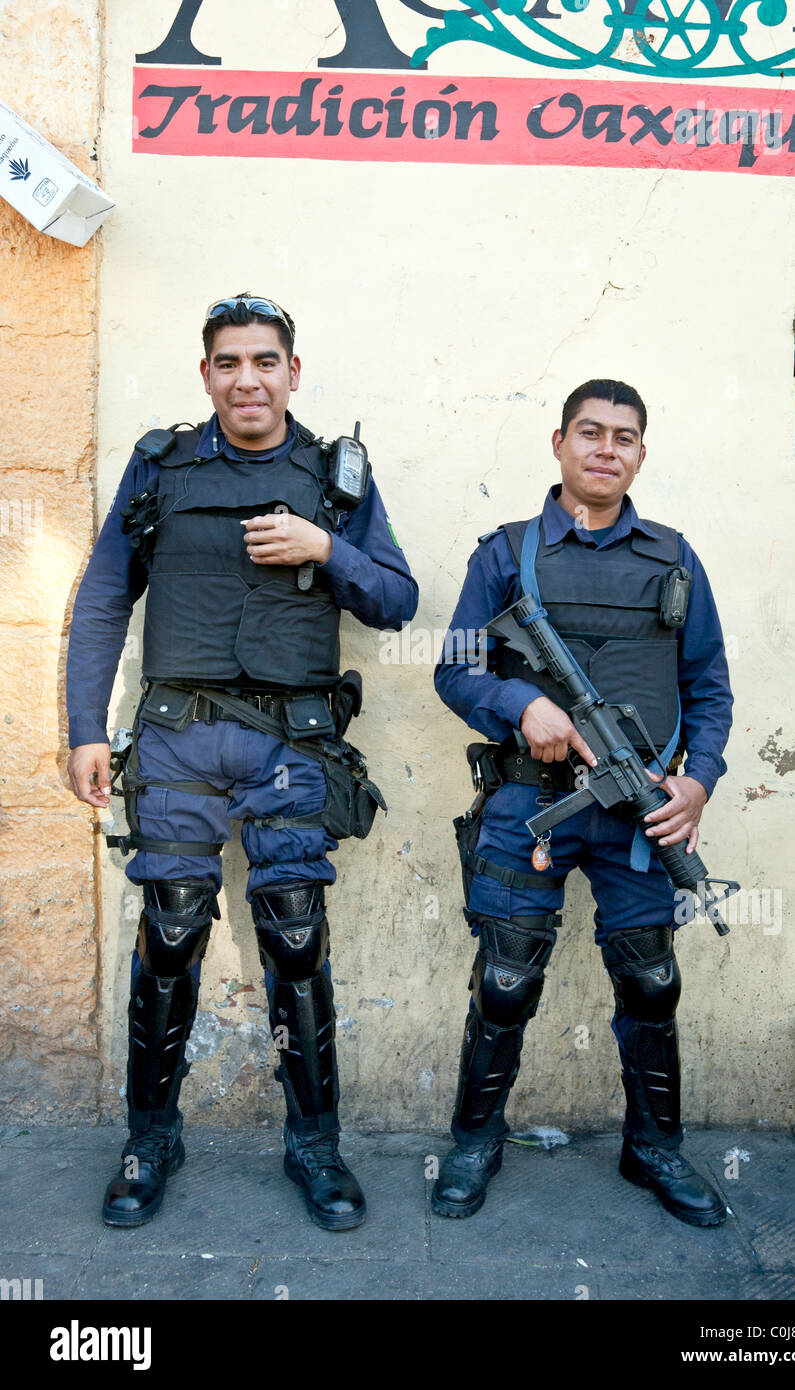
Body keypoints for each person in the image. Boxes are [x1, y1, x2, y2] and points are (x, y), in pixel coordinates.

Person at [66, 293, 418, 1231]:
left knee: (296, 941)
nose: (247, 379)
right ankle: (150, 1138)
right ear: (206, 374)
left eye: (265, 361)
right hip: (178, 736)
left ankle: (315, 1147)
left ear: (293, 373)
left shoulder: (333, 478)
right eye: (228, 363)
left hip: (292, 746)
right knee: (171, 933)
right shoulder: (161, 467)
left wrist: (326, 547)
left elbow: (396, 599)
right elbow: (104, 598)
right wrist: (85, 730)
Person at [431, 378, 733, 1226]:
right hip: (531, 803)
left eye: (624, 438)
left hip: (639, 815)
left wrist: (697, 780)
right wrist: (519, 706)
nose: (606, 449)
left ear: (641, 454)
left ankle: (655, 1149)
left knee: (652, 980)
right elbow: (455, 665)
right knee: (503, 980)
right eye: (590, 433)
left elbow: (710, 686)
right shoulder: (506, 553)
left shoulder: (674, 558)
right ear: (559, 443)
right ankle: (474, 1142)